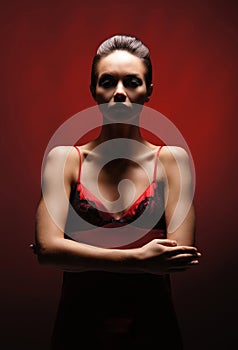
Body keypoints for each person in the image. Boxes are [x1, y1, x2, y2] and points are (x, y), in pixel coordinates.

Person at [34, 35, 201, 349]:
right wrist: (140, 258)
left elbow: (180, 255)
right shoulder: (65, 160)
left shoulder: (171, 161)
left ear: (148, 91)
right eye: (108, 81)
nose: (120, 93)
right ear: (94, 90)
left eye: (133, 82)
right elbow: (47, 252)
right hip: (79, 330)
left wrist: (72, 250)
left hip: (152, 329)